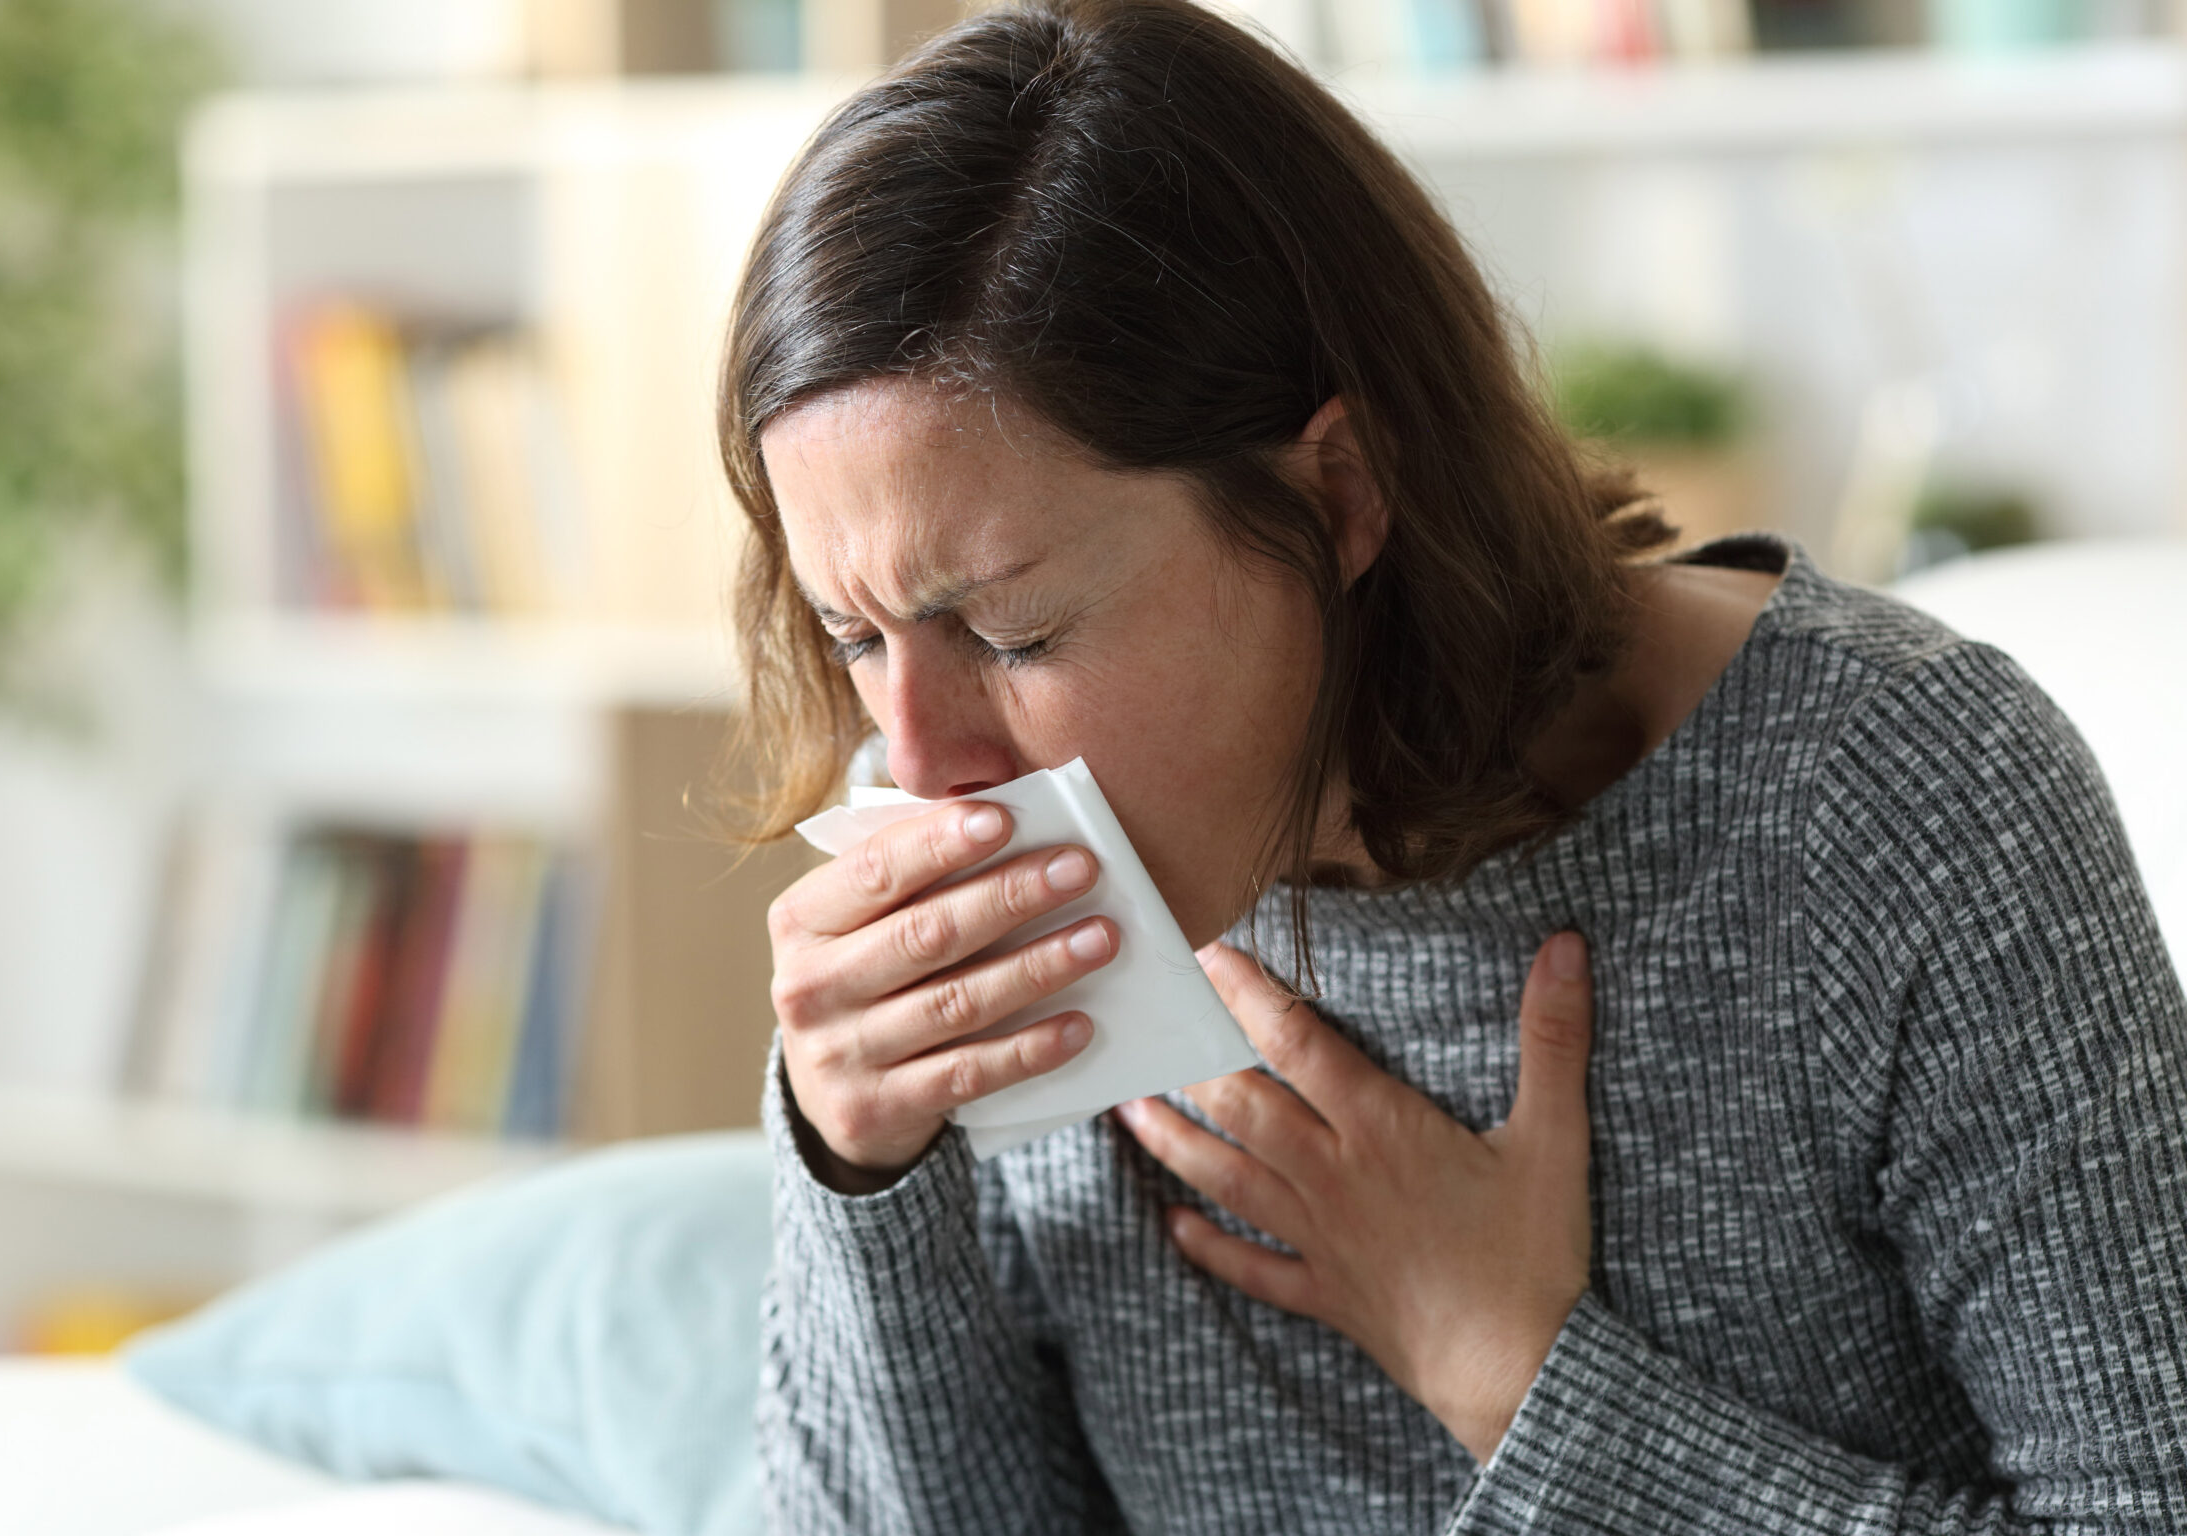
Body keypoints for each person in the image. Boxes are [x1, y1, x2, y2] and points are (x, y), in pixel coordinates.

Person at [717, 1, 2187, 1530]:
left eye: (1013, 633)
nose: (927, 769)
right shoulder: (989, 908)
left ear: (1341, 491)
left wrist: (1519, 1381)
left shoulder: (1891, 803)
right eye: (854, 638)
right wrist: (860, 1170)